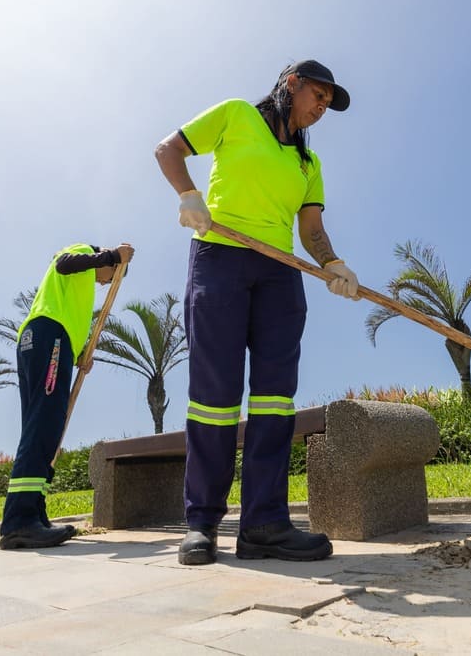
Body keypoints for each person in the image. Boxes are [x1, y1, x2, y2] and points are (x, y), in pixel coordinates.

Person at [154, 59, 359, 565]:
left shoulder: (308, 166)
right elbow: (169, 149)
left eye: (328, 104)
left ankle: (264, 524)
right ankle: (201, 523)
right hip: (220, 256)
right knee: (214, 397)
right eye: (318, 95)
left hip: (280, 272)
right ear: (291, 84)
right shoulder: (236, 115)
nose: (321, 108)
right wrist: (188, 194)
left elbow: (310, 229)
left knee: (274, 400)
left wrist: (333, 262)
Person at [0, 242, 135, 550]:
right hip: (49, 336)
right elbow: (64, 262)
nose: (104, 283)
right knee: (43, 425)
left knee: (44, 429)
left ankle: (33, 512)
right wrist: (115, 256)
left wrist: (80, 354)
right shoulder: (82, 253)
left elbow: (71, 314)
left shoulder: (78, 290)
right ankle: (19, 521)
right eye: (110, 277)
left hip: (52, 341)